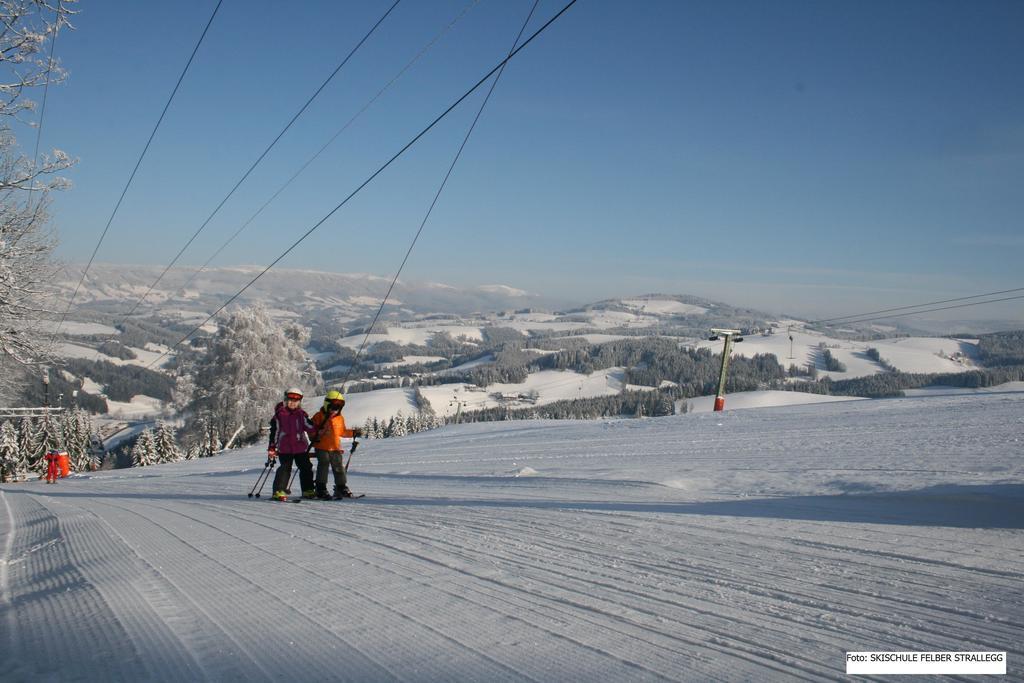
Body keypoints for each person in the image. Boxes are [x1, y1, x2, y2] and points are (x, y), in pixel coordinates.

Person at [311, 390, 363, 499]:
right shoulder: (319, 416)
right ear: (326, 405)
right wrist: (315, 434)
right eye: (333, 407)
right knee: (324, 464)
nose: (335, 410)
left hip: (335, 447)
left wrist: (353, 432)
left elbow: (342, 432)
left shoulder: (339, 418)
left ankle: (341, 487)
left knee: (338, 466)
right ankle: (320, 488)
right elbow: (310, 429)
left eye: (338, 408)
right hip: (321, 446)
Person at [268, 387, 317, 501]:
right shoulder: (279, 415)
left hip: (300, 447)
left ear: (299, 402)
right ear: (285, 400)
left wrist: (317, 425)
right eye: (290, 400)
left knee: (306, 468)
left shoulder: (301, 415)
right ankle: (279, 491)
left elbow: (310, 427)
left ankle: (308, 490)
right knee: (285, 469)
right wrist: (272, 447)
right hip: (285, 448)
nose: (293, 403)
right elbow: (274, 433)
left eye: (296, 401)